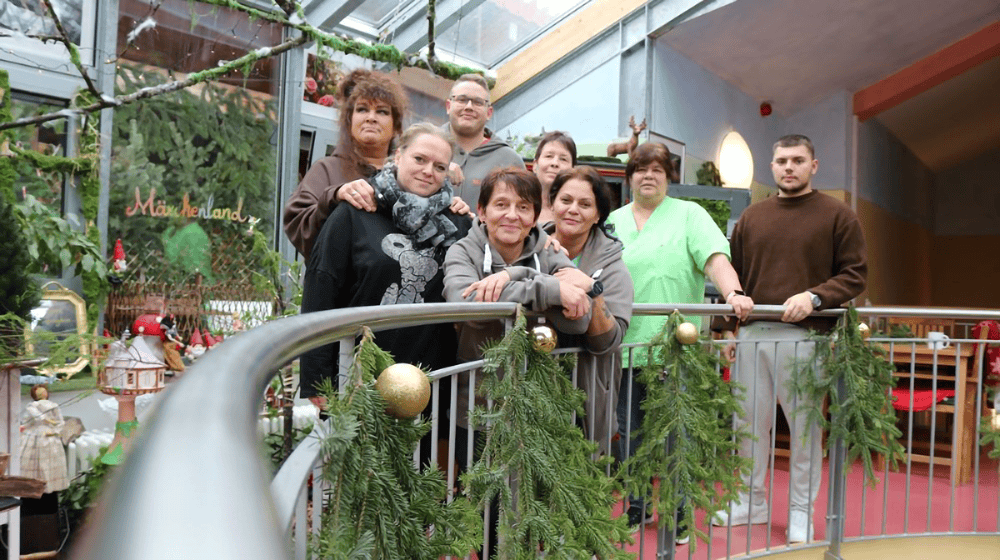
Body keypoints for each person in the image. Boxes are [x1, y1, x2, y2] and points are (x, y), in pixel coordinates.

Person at [712, 134, 867, 544]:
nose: (789, 167)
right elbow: (736, 277)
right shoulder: (752, 217)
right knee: (747, 425)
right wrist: (728, 327)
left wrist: (815, 296)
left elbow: (854, 274)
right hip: (751, 335)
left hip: (805, 337)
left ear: (814, 166)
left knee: (804, 429)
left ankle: (801, 511)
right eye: (781, 160)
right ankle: (751, 501)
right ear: (772, 166)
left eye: (798, 160)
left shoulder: (838, 215)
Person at [606, 142, 752, 535]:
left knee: (677, 435)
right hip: (626, 347)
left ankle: (681, 509)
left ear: (670, 176)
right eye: (640, 168)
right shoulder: (613, 220)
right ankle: (637, 506)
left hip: (675, 349)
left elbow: (714, 258)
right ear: (630, 176)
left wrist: (733, 293)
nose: (648, 175)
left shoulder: (690, 215)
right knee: (631, 433)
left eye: (658, 168)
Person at [298, 123, 472, 409]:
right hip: (358, 376)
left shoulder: (457, 222)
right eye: (420, 159)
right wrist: (317, 378)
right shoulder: (355, 211)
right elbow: (321, 289)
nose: (428, 171)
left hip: (431, 378)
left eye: (439, 167)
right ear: (398, 155)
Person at [284, 69, 467, 260]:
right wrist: (334, 196)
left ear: (396, 125)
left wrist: (445, 204)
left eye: (382, 111)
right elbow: (299, 226)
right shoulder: (327, 169)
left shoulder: (412, 174)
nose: (371, 117)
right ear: (350, 120)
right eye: (362, 109)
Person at [543, 166, 633, 455]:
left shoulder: (613, 265)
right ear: (552, 203)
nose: (573, 210)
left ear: (598, 215)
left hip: (584, 397)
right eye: (566, 200)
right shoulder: (526, 245)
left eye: (585, 204)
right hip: (527, 388)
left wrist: (592, 292)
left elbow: (609, 341)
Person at [443, 74, 525, 207]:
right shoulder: (423, 146)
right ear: (448, 106)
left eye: (478, 102)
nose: (469, 107)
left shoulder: (509, 160)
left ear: (489, 112)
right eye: (462, 99)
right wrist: (438, 168)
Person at [20, 385, 69, 494]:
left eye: (44, 390)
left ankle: (49, 487)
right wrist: (24, 427)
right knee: (34, 463)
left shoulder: (53, 406)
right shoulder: (32, 406)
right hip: (36, 435)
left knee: (50, 463)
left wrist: (54, 431)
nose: (42, 392)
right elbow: (30, 420)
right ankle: (32, 487)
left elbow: (60, 422)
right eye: (39, 391)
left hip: (49, 436)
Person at [532, 131, 576, 224]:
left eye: (563, 159)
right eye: (549, 156)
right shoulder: (520, 205)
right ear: (535, 165)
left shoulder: (575, 212)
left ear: (573, 169)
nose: (555, 163)